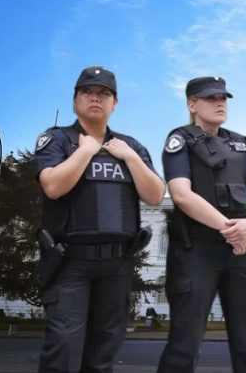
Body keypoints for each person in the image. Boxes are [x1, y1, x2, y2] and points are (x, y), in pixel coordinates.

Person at [34, 65, 165, 373]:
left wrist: (130, 158)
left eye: (103, 93)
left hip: (117, 265)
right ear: (75, 100)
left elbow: (156, 195)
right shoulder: (58, 140)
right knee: (63, 350)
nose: (95, 98)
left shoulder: (129, 146)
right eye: (88, 92)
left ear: (114, 103)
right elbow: (52, 186)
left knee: (103, 351)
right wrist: (85, 152)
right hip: (70, 262)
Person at [157, 76, 246, 373]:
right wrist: (231, 229)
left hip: (241, 250)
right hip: (197, 250)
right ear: (192, 104)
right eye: (210, 98)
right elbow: (181, 194)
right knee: (185, 343)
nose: (220, 102)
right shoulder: (180, 139)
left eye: (223, 97)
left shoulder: (242, 144)